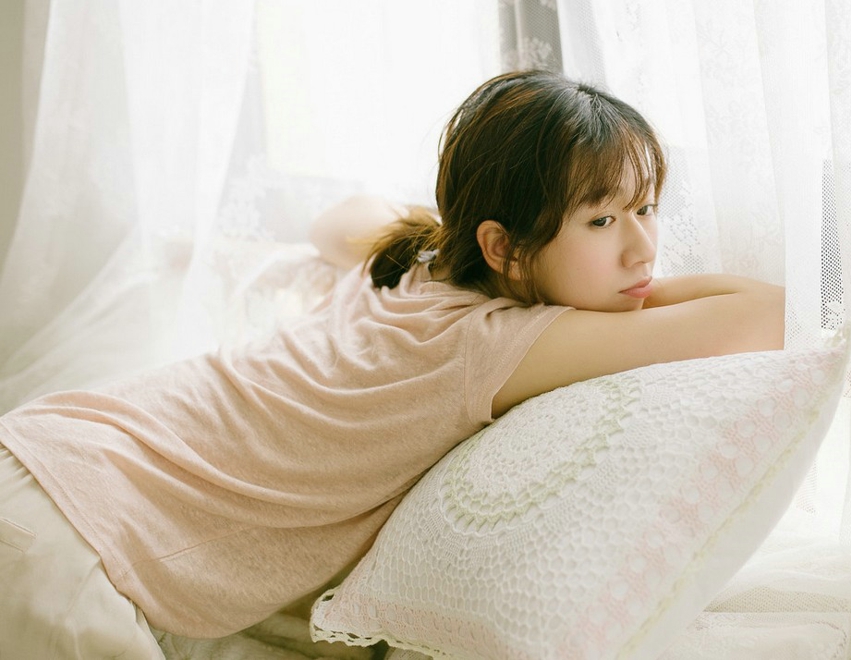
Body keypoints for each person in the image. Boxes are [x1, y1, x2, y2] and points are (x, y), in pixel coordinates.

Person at [0, 70, 783, 658]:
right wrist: (640, 298)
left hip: (47, 458)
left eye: (647, 209)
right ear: (503, 246)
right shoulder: (486, 343)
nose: (642, 248)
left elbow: (335, 221)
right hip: (66, 542)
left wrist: (581, 268)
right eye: (602, 221)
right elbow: (767, 314)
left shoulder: (415, 266)